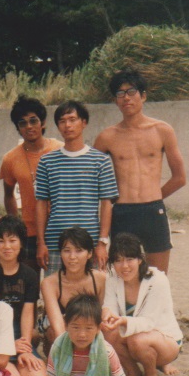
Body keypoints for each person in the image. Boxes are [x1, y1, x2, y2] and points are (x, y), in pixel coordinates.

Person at [94, 69, 186, 273]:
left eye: (131, 91)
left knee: (158, 277)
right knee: (124, 274)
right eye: (120, 93)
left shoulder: (162, 130)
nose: (126, 98)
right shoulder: (107, 137)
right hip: (122, 212)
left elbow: (180, 178)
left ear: (143, 96)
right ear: (115, 100)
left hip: (153, 211)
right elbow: (91, 178)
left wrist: (154, 197)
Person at [36, 100, 118, 275]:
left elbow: (106, 204)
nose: (67, 125)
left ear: (84, 122)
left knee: (92, 289)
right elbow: (41, 203)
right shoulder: (46, 162)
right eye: (62, 121)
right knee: (56, 288)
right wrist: (41, 243)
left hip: (90, 244)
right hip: (55, 243)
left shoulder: (101, 161)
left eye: (72, 119)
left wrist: (102, 243)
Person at [101, 233, 183, 376]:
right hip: (135, 336)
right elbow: (109, 305)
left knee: (137, 340)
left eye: (129, 259)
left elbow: (149, 321)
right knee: (107, 331)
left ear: (140, 259)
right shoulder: (112, 279)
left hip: (165, 339)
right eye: (118, 260)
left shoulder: (157, 280)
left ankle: (151, 375)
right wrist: (107, 316)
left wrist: (123, 321)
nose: (124, 266)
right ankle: (133, 371)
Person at [0, 95, 62, 272]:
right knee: (28, 283)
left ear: (43, 122)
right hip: (28, 233)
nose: (29, 126)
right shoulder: (10, 159)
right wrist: (16, 227)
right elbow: (8, 195)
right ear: (18, 128)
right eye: (23, 123)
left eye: (33, 121)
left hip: (59, 229)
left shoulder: (60, 149)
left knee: (59, 283)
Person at [0, 215, 48, 376]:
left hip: (18, 333)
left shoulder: (29, 275)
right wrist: (6, 346)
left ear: (21, 243)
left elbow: (28, 312)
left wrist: (25, 347)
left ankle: (19, 365)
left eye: (12, 240)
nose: (7, 246)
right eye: (1, 241)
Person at [41, 226, 106, 354]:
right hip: (62, 332)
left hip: (91, 330)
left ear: (89, 253)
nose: (72, 256)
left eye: (79, 250)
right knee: (52, 332)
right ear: (60, 253)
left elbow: (102, 317)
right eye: (67, 251)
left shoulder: (100, 279)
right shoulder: (49, 283)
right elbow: (58, 326)